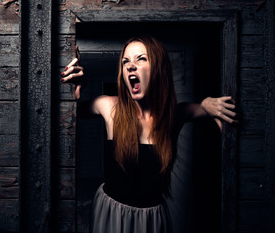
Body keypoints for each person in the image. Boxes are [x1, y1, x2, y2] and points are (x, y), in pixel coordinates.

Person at [61, 35, 237, 233]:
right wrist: (77, 91)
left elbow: (204, 109)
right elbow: (68, 114)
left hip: (152, 220)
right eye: (125, 61)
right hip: (111, 213)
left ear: (158, 68)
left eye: (141, 59)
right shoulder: (108, 106)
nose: (130, 66)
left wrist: (207, 104)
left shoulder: (174, 115)